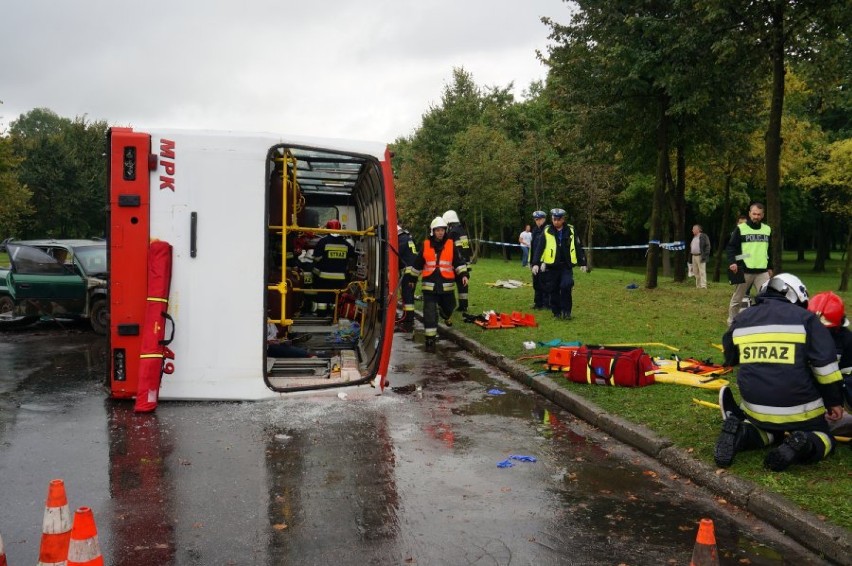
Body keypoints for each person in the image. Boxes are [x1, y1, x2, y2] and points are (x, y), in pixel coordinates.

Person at [715, 273, 844, 472]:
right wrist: (834, 401)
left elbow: (731, 358)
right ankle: (804, 443)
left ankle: (742, 433)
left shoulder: (742, 319)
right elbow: (825, 368)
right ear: (796, 295)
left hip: (755, 408)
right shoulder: (807, 319)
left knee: (767, 431)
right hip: (801, 412)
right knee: (824, 438)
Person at [411, 216, 469, 352]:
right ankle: (430, 339)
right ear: (433, 231)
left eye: (442, 230)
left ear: (445, 230)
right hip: (429, 286)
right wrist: (412, 280)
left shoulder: (450, 244)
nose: (440, 232)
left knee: (450, 307)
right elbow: (418, 264)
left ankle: (445, 313)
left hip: (446, 286)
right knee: (429, 312)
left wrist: (463, 275)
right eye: (437, 230)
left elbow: (458, 262)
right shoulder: (425, 245)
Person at [530, 208, 588, 320]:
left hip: (566, 265)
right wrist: (536, 263)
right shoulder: (547, 230)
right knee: (553, 289)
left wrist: (583, 262)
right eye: (554, 219)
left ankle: (567, 312)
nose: (556, 221)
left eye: (558, 219)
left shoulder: (570, 229)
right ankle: (556, 313)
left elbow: (577, 246)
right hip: (552, 266)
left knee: (566, 285)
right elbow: (540, 248)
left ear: (563, 219)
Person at [807, 291, 852, 436]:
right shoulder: (799, 334)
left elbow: (847, 378)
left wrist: (835, 403)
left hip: (834, 394)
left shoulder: (846, 339)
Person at [726, 203, 773, 325]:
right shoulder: (741, 228)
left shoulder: (767, 229)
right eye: (754, 214)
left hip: (762, 272)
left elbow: (769, 249)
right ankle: (732, 322)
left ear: (762, 215)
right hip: (745, 270)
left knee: (767, 299)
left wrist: (770, 267)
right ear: (749, 213)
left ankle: (765, 322)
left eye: (759, 214)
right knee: (737, 299)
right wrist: (733, 262)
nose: (756, 216)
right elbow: (731, 247)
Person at [312, 219, 355, 317]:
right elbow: (352, 256)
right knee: (335, 297)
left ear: (328, 228)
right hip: (340, 279)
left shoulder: (323, 242)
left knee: (323, 296)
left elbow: (316, 258)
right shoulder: (345, 244)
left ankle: (322, 314)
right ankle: (334, 315)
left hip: (324, 277)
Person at [443, 210, 472, 312]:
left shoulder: (453, 232)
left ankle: (448, 305)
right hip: (465, 261)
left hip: (457, 262)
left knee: (449, 284)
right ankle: (464, 305)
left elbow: (448, 246)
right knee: (463, 284)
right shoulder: (461, 230)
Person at [396, 224, 419, 333]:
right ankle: (408, 317)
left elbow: (396, 255)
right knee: (408, 294)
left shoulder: (401, 240)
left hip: (408, 271)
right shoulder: (408, 237)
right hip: (413, 270)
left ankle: (409, 319)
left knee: (407, 295)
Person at [530, 211, 548, 310]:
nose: (538, 221)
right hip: (535, 261)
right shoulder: (535, 230)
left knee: (544, 283)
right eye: (536, 220)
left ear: (544, 219)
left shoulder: (548, 230)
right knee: (536, 282)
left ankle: (546, 304)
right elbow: (533, 247)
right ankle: (538, 303)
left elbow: (548, 247)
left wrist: (545, 261)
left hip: (544, 262)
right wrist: (531, 262)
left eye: (540, 219)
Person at [689, 224, 711, 289]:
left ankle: (703, 286)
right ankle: (698, 286)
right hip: (694, 256)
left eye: (693, 229)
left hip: (700, 256)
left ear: (698, 230)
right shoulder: (694, 237)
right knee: (695, 272)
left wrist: (705, 255)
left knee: (702, 271)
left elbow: (708, 246)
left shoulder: (703, 236)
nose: (692, 230)